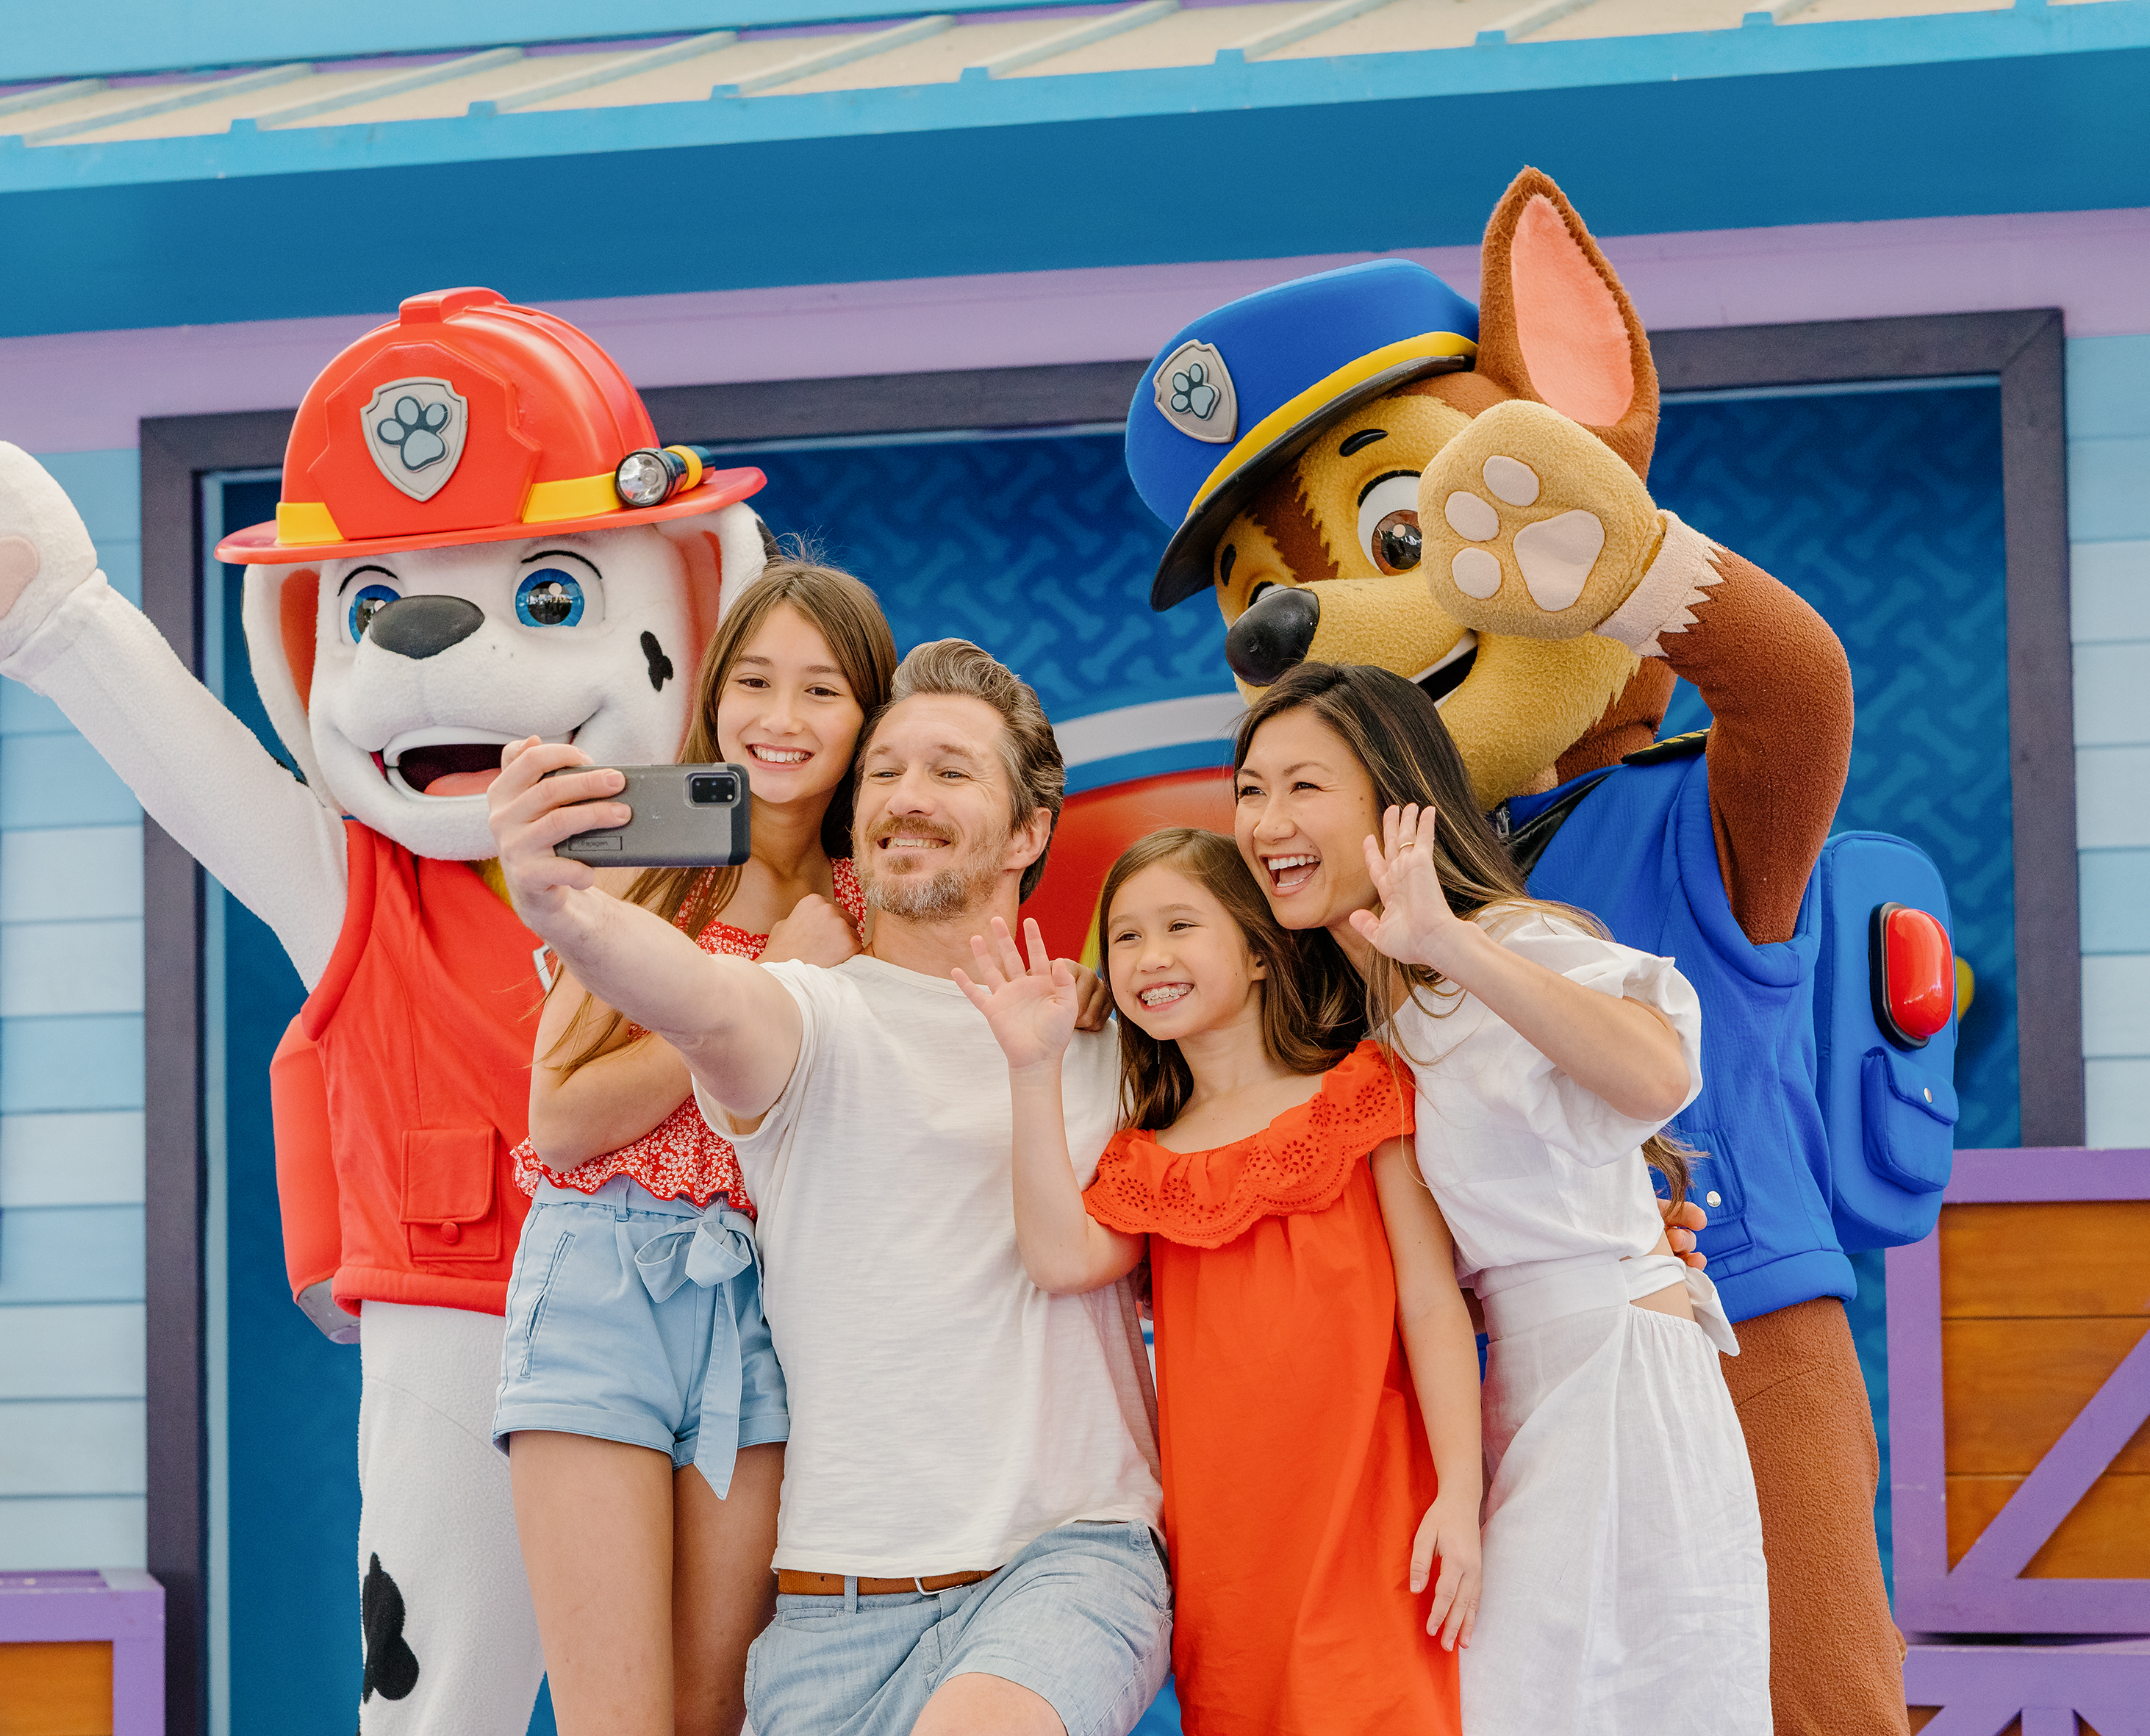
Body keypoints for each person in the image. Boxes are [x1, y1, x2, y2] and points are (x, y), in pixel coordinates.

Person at [490, 637, 1169, 1736]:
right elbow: (701, 997)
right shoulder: (808, 1012)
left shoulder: (1122, 1035)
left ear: (1029, 831)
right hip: (826, 1618)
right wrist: (564, 905)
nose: (906, 795)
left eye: (950, 770)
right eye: (885, 771)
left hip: (1070, 1558)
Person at [1230, 661, 1770, 1736]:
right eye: (1249, 789)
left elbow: (1657, 1072)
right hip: (1513, 1390)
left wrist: (1449, 941)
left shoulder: (1506, 944)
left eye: (1304, 786)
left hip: (1614, 1380)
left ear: (1396, 802)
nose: (1267, 821)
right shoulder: (1352, 1019)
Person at [953, 826, 1481, 1735]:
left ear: (1262, 950)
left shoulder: (1364, 1089)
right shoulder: (1146, 1158)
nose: (1149, 957)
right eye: (1125, 936)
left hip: (1373, 1516)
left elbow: (1433, 1305)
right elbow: (1059, 1259)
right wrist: (1032, 1070)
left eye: (1179, 926)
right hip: (1230, 1549)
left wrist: (1461, 1496)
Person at [496, 559, 893, 1736]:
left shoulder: (873, 897)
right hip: (603, 1282)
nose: (781, 717)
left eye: (821, 689)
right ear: (713, 694)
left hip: (769, 1306)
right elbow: (562, 1117)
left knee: (714, 1713)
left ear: (868, 716)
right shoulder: (652, 855)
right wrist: (759, 990)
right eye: (754, 681)